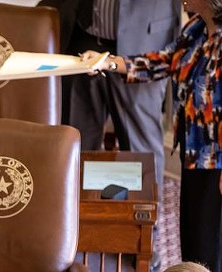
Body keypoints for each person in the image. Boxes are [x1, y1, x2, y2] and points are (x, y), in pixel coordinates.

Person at [81, 0, 222, 272]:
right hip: (196, 159)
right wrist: (109, 63)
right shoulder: (197, 29)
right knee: (197, 252)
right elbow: (162, 62)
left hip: (217, 165)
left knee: (212, 260)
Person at [66, 0, 181, 198]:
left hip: (143, 44)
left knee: (140, 146)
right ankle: (75, 218)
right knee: (76, 139)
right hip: (85, 38)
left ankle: (145, 225)